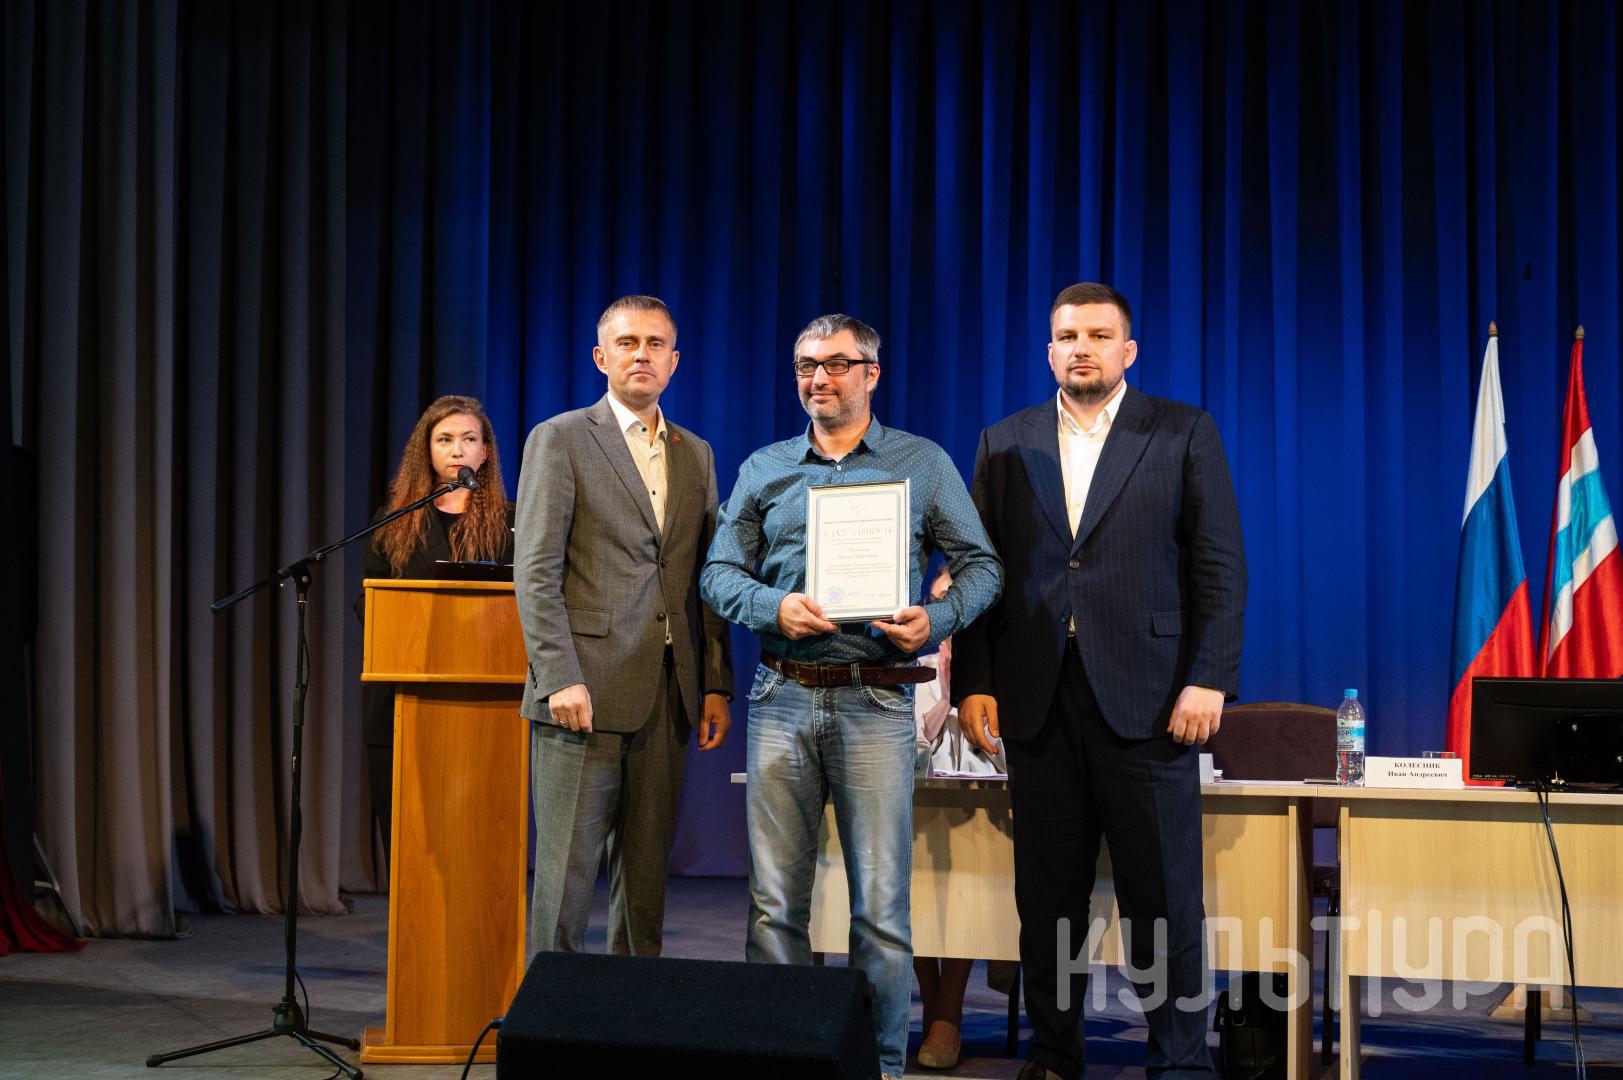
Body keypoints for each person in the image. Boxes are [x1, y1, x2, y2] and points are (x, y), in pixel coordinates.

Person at [955, 282, 1247, 1080]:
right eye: (1066, 336)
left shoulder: (1181, 430)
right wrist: (973, 680)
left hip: (1152, 703)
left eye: (1096, 334)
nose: (1079, 347)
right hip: (1036, 700)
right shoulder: (1003, 440)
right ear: (1048, 350)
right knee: (1048, 899)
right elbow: (980, 571)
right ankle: (1054, 1055)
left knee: (1164, 900)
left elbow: (1219, 566)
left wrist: (1209, 678)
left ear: (1128, 350)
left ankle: (1178, 1061)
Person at [701, 314, 1002, 1080]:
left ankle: (879, 1068)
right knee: (774, 905)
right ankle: (779, 1064)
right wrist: (773, 607)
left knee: (880, 910)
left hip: (876, 700)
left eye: (837, 364)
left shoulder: (920, 463)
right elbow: (717, 572)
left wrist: (934, 619)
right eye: (806, 364)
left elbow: (982, 566)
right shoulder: (766, 467)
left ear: (872, 373)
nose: (819, 378)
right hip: (782, 693)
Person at [514, 294, 733, 958]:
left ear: (675, 361)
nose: (642, 355)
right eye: (628, 343)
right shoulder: (560, 437)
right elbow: (536, 570)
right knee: (565, 880)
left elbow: (707, 576)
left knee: (644, 887)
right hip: (583, 691)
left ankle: (632, 1013)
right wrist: (558, 676)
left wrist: (715, 684)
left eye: (655, 344)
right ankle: (551, 1018)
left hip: (669, 694)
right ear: (600, 356)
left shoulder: (696, 453)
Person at [360, 395, 513, 863]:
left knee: (473, 843)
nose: (457, 449)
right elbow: (368, 603)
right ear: (426, 450)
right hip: (401, 698)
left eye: (469, 439)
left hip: (484, 702)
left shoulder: (510, 522)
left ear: (485, 451)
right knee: (410, 841)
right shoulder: (394, 522)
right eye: (444, 439)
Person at [911, 565, 1006, 1071]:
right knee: (913, 878)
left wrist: (969, 693)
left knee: (968, 876)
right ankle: (936, 1008)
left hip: (987, 831)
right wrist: (941, 698)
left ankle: (945, 1013)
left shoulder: (999, 678)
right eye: (938, 601)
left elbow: (1010, 758)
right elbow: (904, 751)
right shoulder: (919, 673)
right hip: (922, 823)